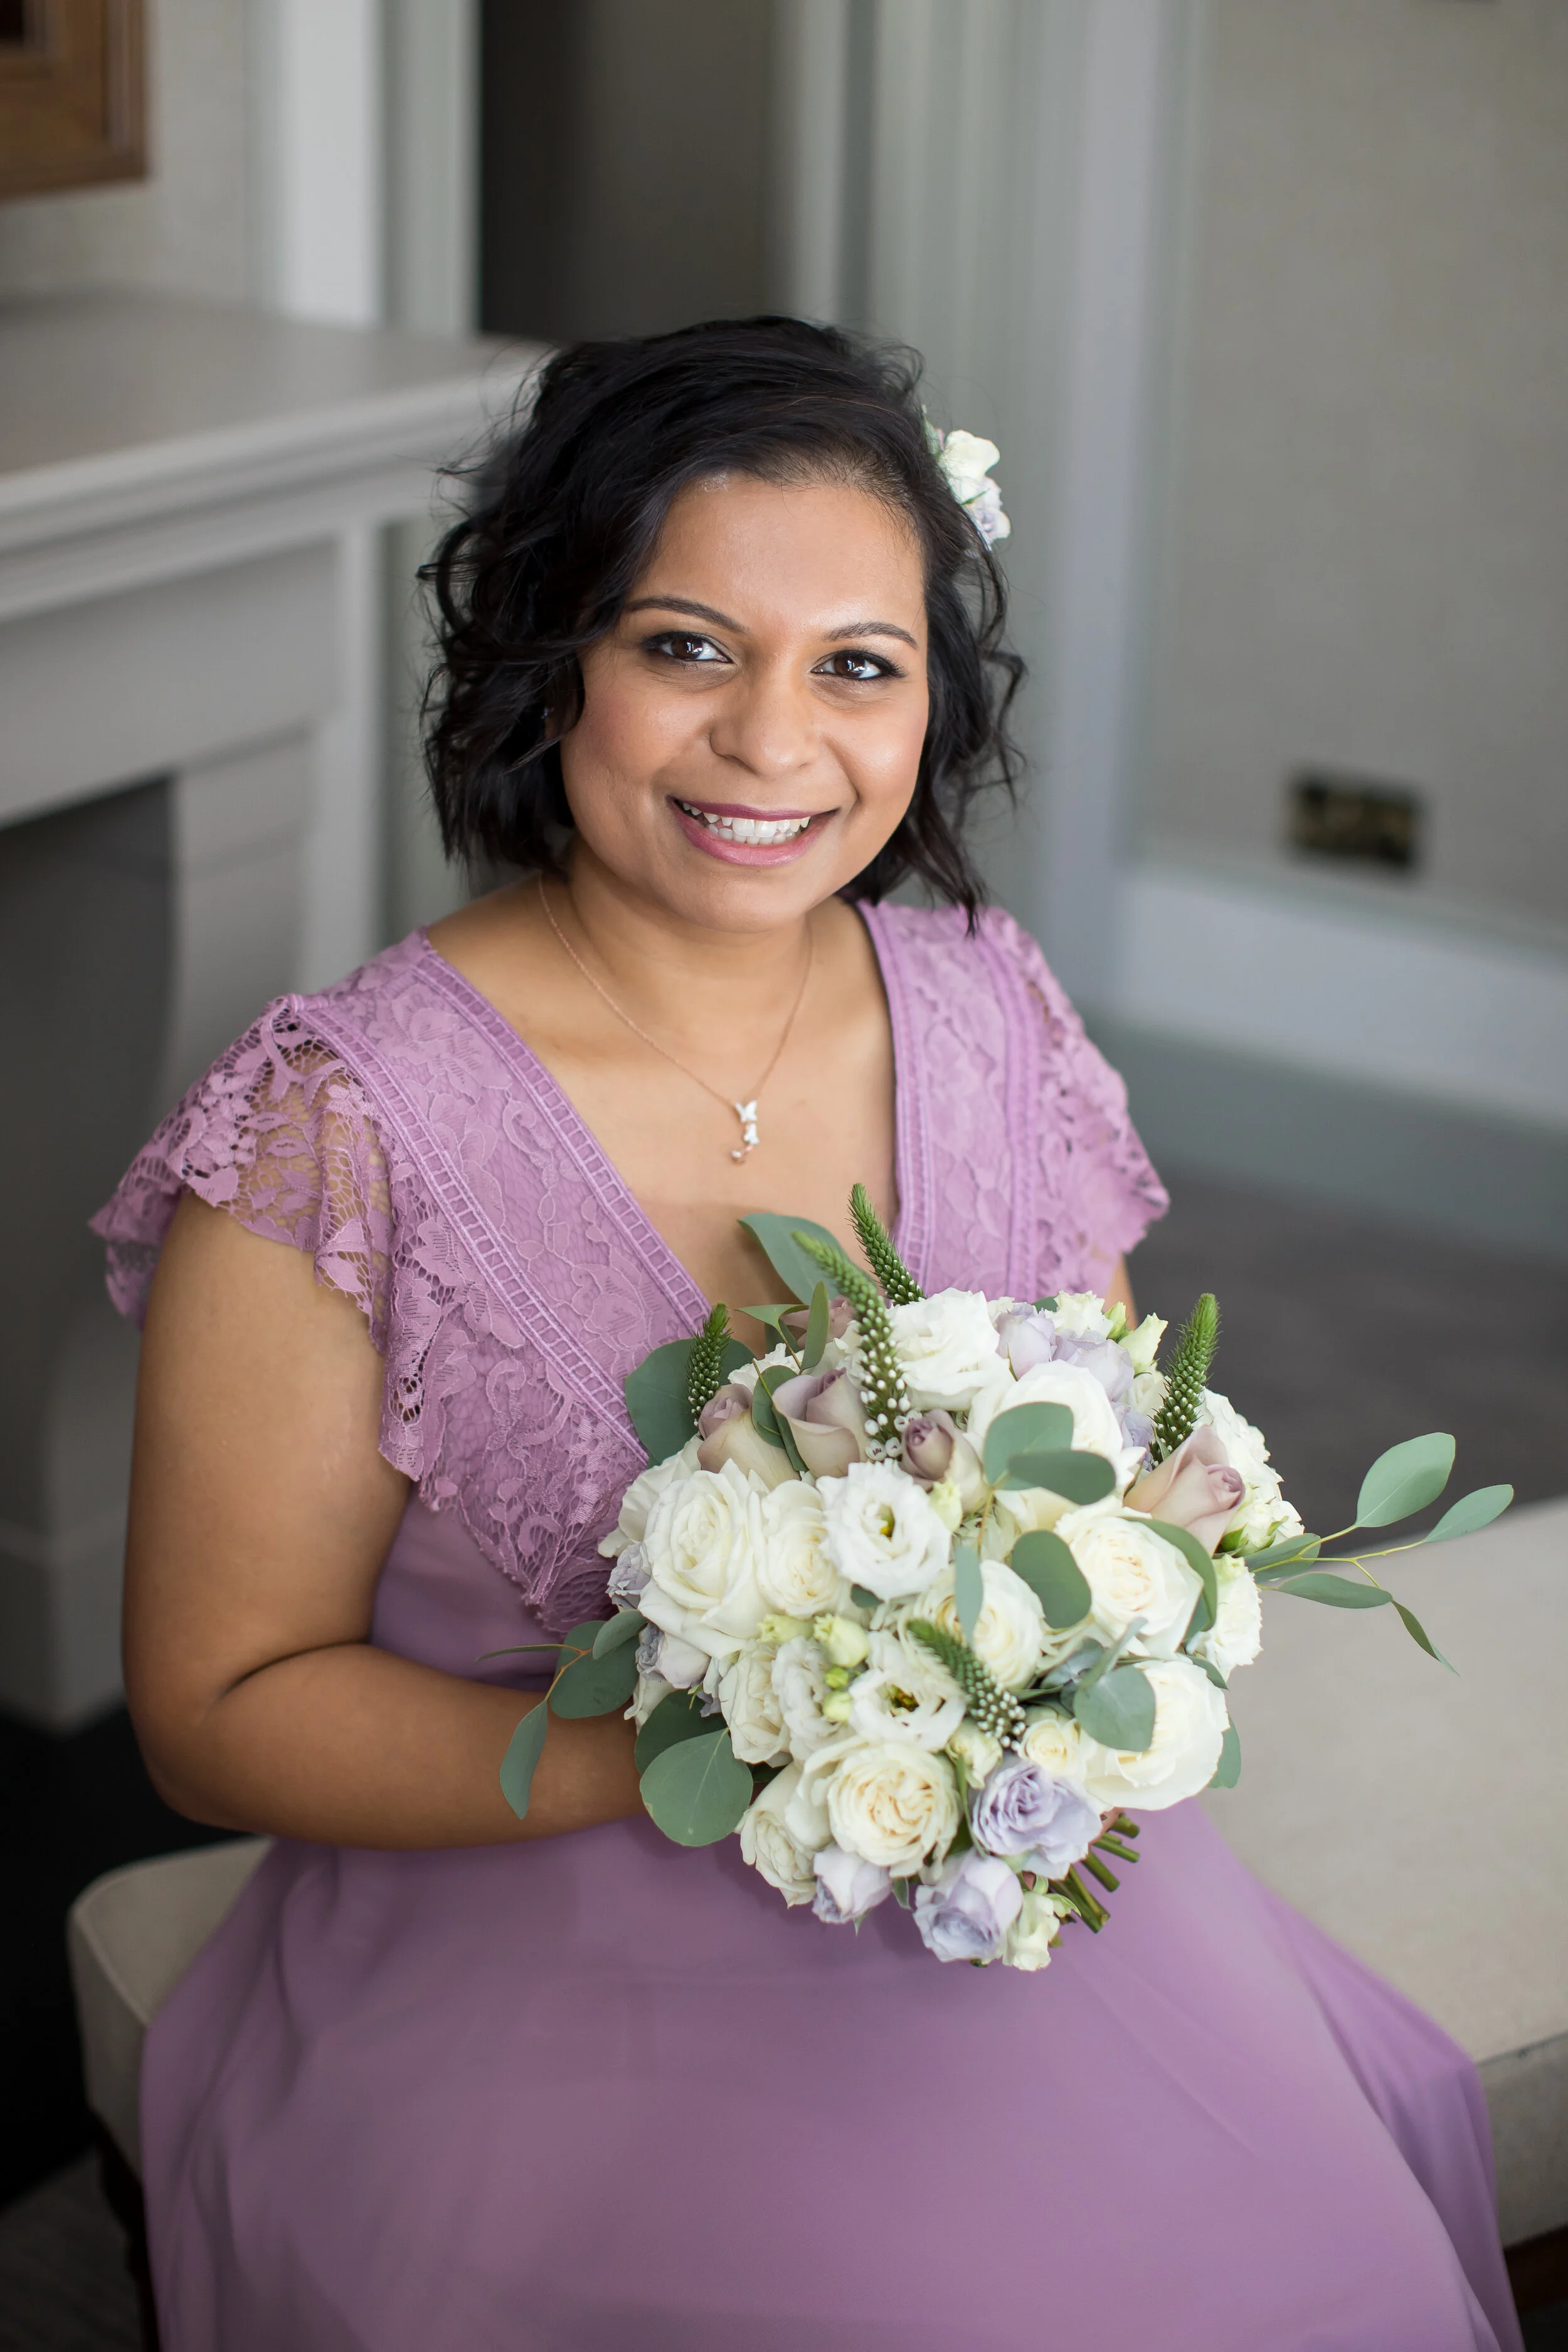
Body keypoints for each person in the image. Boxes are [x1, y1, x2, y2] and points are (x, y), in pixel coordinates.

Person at [96, 319, 1520, 2351]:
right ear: (548, 658)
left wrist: (1057, 1652)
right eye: (684, 646)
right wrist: (744, 1735)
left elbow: (1122, 1463)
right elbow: (215, 1705)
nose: (771, 741)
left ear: (933, 698)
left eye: (857, 664)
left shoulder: (989, 1008)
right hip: (537, 1948)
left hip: (1006, 1887)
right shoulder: (336, 1126)